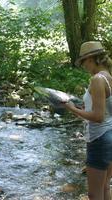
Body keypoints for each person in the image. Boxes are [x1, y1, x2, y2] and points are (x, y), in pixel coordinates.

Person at [63, 41, 112, 200]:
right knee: (105, 187)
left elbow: (98, 117)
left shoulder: (97, 79)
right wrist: (82, 109)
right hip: (110, 135)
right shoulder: (108, 77)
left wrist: (72, 109)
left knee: (94, 194)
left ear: (91, 59)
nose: (83, 65)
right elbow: (106, 111)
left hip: (100, 139)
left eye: (83, 61)